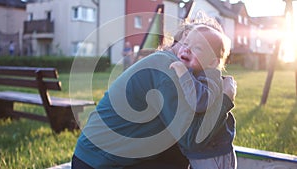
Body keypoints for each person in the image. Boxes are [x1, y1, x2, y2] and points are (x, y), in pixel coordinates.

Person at [72, 18, 237, 169]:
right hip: (97, 164)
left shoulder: (169, 63)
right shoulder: (169, 69)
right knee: (178, 150)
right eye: (190, 43)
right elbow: (193, 140)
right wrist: (225, 98)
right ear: (184, 38)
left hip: (97, 158)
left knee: (173, 148)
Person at [169, 25, 237, 169]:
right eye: (186, 44)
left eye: (197, 48)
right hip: (201, 152)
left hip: (214, 154)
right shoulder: (195, 72)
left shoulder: (211, 77)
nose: (187, 49)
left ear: (213, 62)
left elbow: (200, 102)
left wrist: (183, 73)